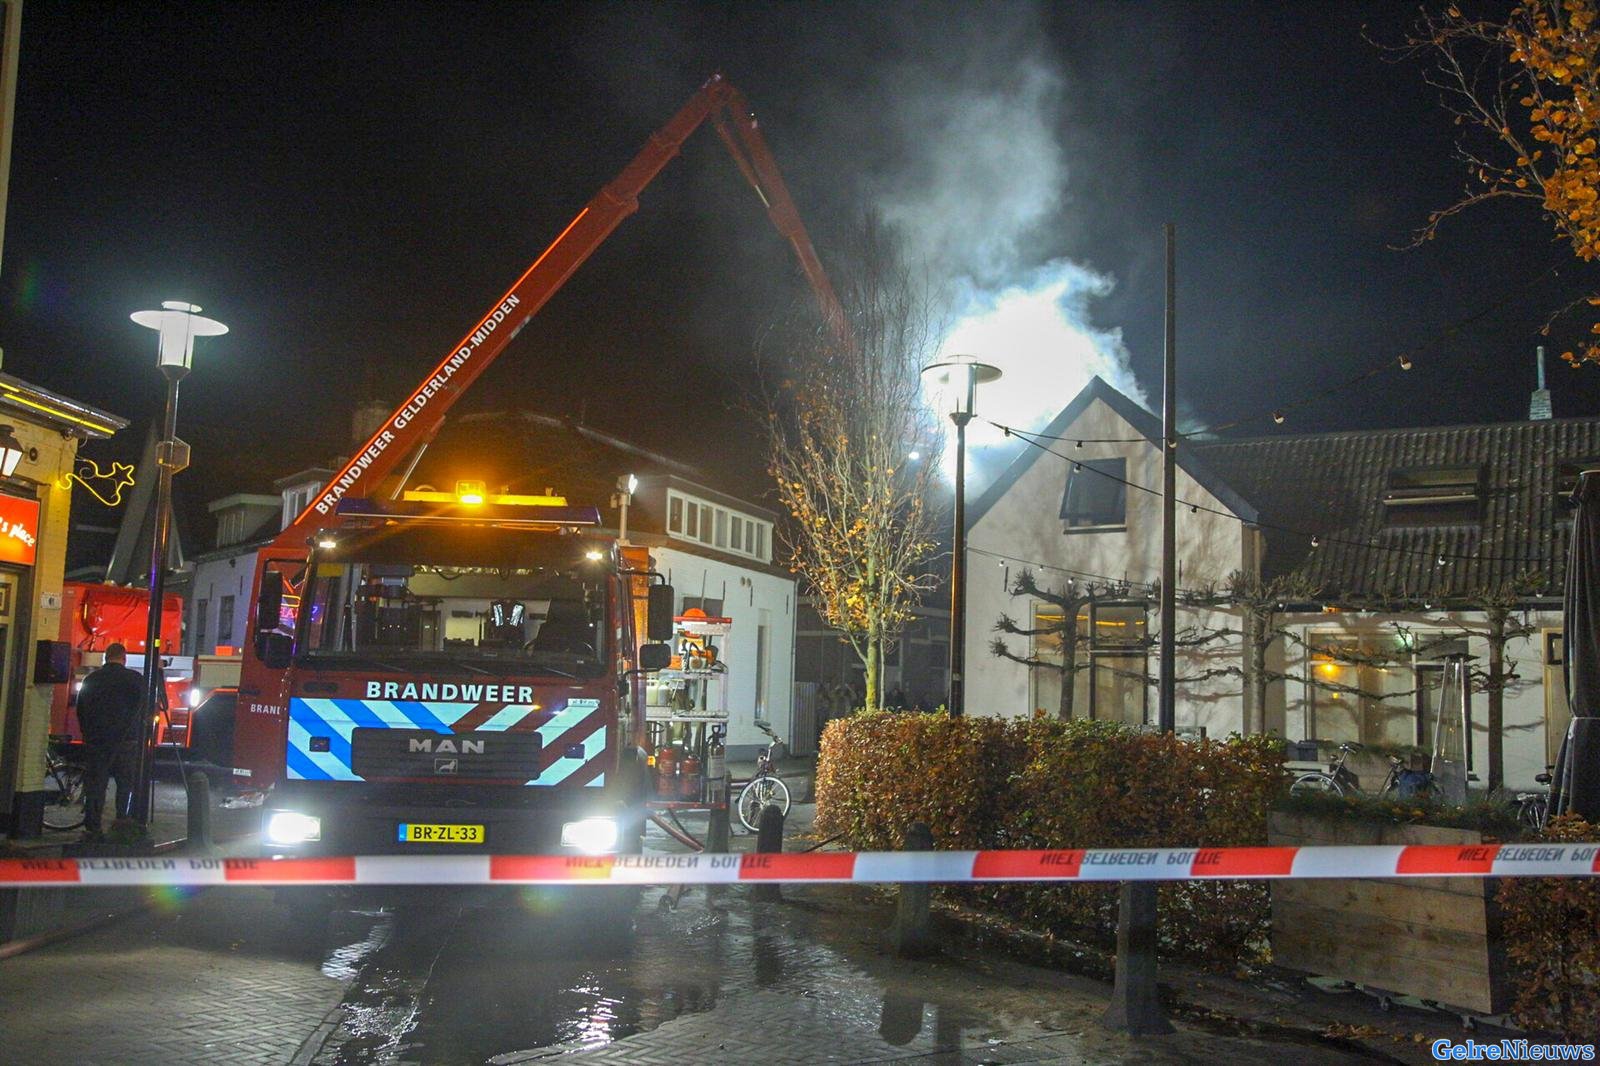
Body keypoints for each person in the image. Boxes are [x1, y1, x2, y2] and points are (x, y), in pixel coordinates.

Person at [75, 642, 146, 835]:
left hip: (98, 741)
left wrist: (87, 733)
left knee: (96, 784)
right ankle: (122, 821)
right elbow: (146, 708)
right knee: (126, 784)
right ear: (124, 658)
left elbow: (80, 709)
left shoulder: (92, 679)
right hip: (126, 741)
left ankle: (93, 825)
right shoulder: (135, 680)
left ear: (105, 657)